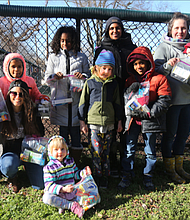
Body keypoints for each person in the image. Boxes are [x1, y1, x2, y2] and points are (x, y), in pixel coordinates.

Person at [117, 46, 172, 191]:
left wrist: (149, 113)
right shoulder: (129, 80)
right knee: (129, 149)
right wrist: (128, 91)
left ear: (149, 63)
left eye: (142, 63)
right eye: (135, 64)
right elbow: (125, 100)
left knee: (150, 151)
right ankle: (127, 174)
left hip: (150, 121)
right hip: (133, 121)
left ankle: (148, 176)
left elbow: (164, 100)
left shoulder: (159, 79)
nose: (139, 66)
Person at [94, 17, 137, 177]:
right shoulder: (101, 48)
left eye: (117, 28)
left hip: (128, 94)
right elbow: (97, 73)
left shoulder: (131, 47)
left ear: (122, 29)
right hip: (109, 95)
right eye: (111, 28)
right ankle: (110, 163)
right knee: (109, 132)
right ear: (107, 30)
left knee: (125, 131)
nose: (115, 31)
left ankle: (125, 165)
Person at [45, 26, 91, 166]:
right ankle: (62, 165)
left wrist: (81, 76)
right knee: (63, 134)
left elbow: (89, 76)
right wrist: (55, 77)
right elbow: (47, 78)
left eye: (69, 41)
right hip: (61, 102)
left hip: (76, 101)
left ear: (74, 41)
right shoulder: (53, 57)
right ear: (58, 41)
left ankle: (75, 164)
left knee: (76, 135)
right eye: (63, 41)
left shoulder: (81, 57)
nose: (65, 44)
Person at [153, 12, 190, 184]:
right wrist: (168, 65)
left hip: (188, 100)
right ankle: (168, 168)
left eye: (183, 28)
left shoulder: (189, 47)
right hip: (171, 101)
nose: (180, 31)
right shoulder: (163, 47)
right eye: (177, 28)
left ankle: (179, 167)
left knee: (183, 135)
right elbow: (153, 72)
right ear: (170, 29)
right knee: (169, 135)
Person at [78, 49, 123, 189]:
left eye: (110, 69)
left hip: (109, 123)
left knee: (107, 150)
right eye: (104, 68)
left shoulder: (114, 84)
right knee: (96, 151)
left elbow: (117, 103)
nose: (107, 72)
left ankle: (106, 175)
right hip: (94, 124)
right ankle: (97, 176)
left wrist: (119, 121)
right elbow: (82, 103)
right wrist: (82, 122)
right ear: (97, 67)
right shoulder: (90, 83)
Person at [0, 79, 44, 192]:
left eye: (21, 94)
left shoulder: (31, 112)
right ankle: (12, 177)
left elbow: (41, 133)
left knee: (40, 185)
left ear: (25, 96)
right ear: (9, 94)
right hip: (11, 153)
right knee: (8, 165)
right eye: (14, 93)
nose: (17, 97)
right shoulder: (3, 113)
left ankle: (28, 167)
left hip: (29, 153)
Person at [43, 135, 91, 218]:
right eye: (56, 149)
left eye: (62, 149)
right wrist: (63, 189)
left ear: (67, 150)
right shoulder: (49, 168)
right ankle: (71, 206)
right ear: (50, 152)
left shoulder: (70, 162)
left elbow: (76, 174)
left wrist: (84, 172)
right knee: (46, 198)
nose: (60, 152)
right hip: (59, 193)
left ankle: (63, 205)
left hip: (72, 191)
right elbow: (48, 185)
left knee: (87, 193)